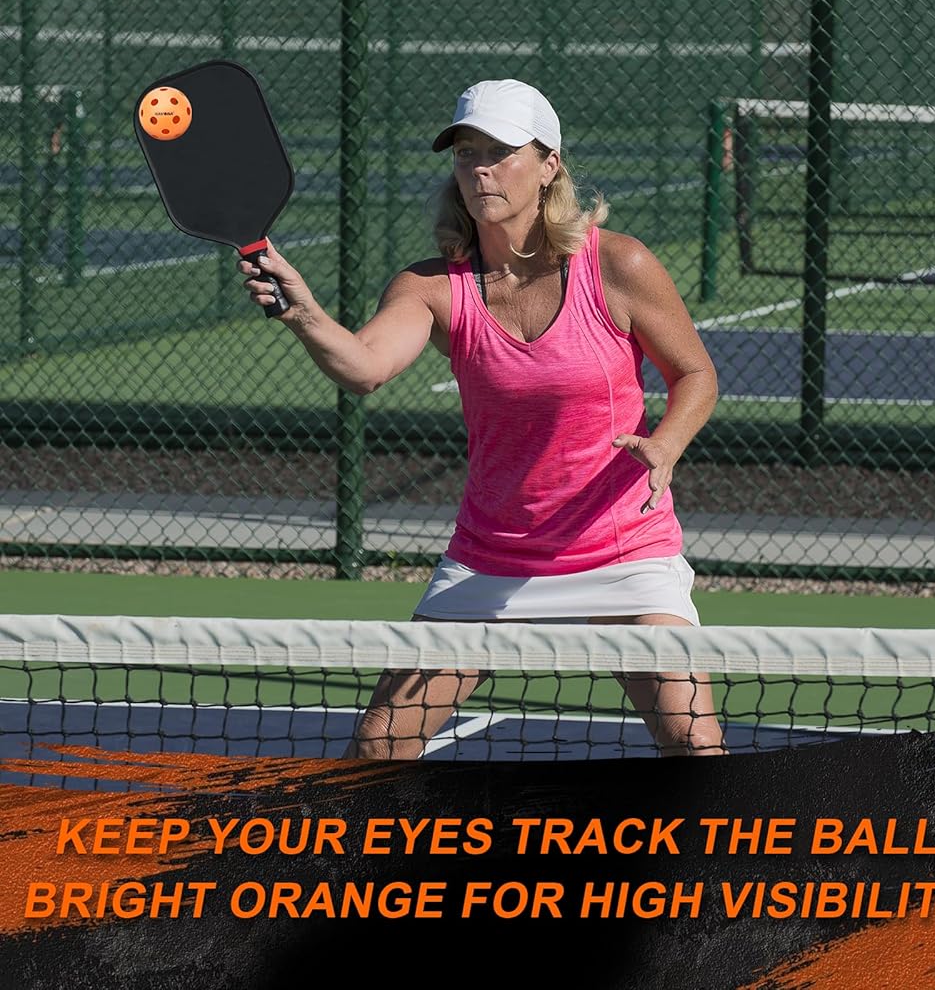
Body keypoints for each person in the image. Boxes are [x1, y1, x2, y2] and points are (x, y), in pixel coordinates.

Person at [240, 79, 725, 760]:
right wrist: (305, 313)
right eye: (466, 152)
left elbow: (695, 373)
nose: (480, 169)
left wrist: (667, 444)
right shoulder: (433, 287)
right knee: (380, 748)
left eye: (500, 151)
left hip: (623, 551)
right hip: (492, 556)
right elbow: (364, 367)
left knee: (692, 741)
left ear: (549, 164)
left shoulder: (619, 264)